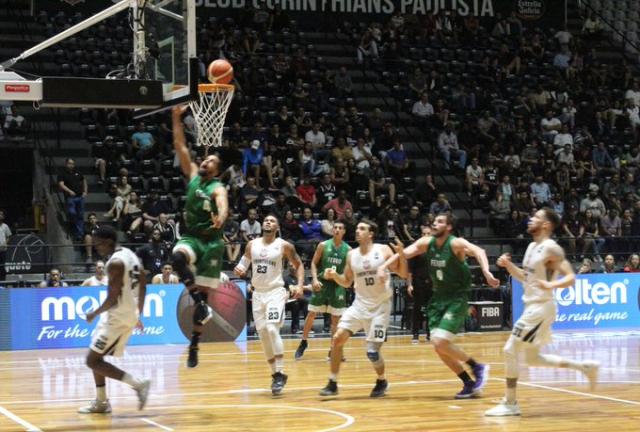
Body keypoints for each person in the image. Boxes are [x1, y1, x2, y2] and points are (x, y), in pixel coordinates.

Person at [485, 208, 600, 417]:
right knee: (533, 358)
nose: (531, 219)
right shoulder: (531, 246)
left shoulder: (551, 248)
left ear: (546, 225)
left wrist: (550, 285)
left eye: (536, 217)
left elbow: (571, 278)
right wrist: (508, 265)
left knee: (510, 350)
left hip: (541, 308)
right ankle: (585, 367)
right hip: (532, 306)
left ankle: (510, 403)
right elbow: (525, 277)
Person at [381, 213, 499, 399]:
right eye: (434, 221)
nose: (435, 224)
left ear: (449, 227)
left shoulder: (455, 243)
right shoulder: (425, 243)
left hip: (457, 298)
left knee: (439, 342)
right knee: (439, 347)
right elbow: (402, 254)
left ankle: (477, 366)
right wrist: (383, 267)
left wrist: (486, 272)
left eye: (440, 222)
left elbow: (479, 251)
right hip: (438, 298)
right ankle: (468, 383)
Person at [318, 220, 406, 398]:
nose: (357, 231)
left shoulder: (383, 250)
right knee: (337, 339)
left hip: (381, 307)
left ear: (371, 233)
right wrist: (334, 276)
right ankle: (332, 383)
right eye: (357, 228)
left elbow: (403, 273)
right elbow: (346, 282)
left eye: (362, 229)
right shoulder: (351, 255)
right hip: (359, 305)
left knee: (372, 352)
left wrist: (402, 255)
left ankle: (381, 380)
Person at [170, 106, 229, 368]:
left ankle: (194, 344)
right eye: (206, 160)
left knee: (204, 299)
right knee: (176, 258)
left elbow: (222, 203)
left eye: (211, 162)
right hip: (193, 237)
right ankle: (199, 305)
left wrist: (221, 217)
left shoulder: (218, 187)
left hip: (212, 243)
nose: (206, 162)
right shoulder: (193, 175)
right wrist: (175, 118)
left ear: (217, 170)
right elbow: (180, 145)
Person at [78, 226, 150, 414]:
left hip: (117, 318)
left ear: (109, 242)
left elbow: (112, 299)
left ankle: (138, 384)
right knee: (96, 356)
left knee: (92, 361)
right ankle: (101, 402)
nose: (96, 248)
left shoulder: (115, 263)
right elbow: (143, 285)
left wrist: (93, 313)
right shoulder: (130, 255)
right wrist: (138, 313)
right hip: (122, 314)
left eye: (98, 244)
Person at [234, 214, 304, 395]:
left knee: (272, 329)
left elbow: (299, 264)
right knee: (264, 335)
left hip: (275, 292)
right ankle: (275, 375)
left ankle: (280, 372)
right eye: (266, 220)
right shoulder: (252, 244)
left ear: (277, 227)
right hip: (258, 294)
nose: (268, 222)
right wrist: (239, 269)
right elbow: (243, 264)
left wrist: (299, 285)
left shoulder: (284, 245)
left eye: (272, 221)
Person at [295, 221, 351, 360]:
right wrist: (314, 279)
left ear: (344, 231)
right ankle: (303, 342)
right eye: (335, 227)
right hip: (322, 283)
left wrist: (339, 278)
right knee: (312, 313)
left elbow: (347, 273)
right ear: (332, 230)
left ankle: (333, 349)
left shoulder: (348, 250)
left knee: (335, 318)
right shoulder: (323, 245)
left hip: (337, 285)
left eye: (340, 228)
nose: (337, 229)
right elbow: (313, 263)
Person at [407, 226, 433, 343]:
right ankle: (415, 334)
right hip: (418, 282)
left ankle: (430, 334)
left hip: (432, 282)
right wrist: (409, 284)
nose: (426, 236)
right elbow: (409, 270)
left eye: (428, 233)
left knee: (431, 309)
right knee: (417, 308)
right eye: (424, 234)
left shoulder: (435, 249)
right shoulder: (416, 249)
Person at [58, 158, 88, 241]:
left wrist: (85, 191)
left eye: (73, 164)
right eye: (70, 163)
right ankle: (74, 227)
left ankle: (80, 234)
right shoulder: (62, 174)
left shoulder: (77, 172)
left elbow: (84, 180)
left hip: (80, 197)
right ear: (66, 164)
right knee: (72, 213)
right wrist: (69, 191)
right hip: (70, 198)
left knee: (80, 215)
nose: (71, 165)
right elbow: (61, 185)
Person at [0, 209, 12, 281]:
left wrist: (6, 243)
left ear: (3, 217)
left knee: (2, 266)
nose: (0, 215)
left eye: (1, 214)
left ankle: (3, 282)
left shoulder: (5, 226)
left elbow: (9, 236)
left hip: (3, 250)